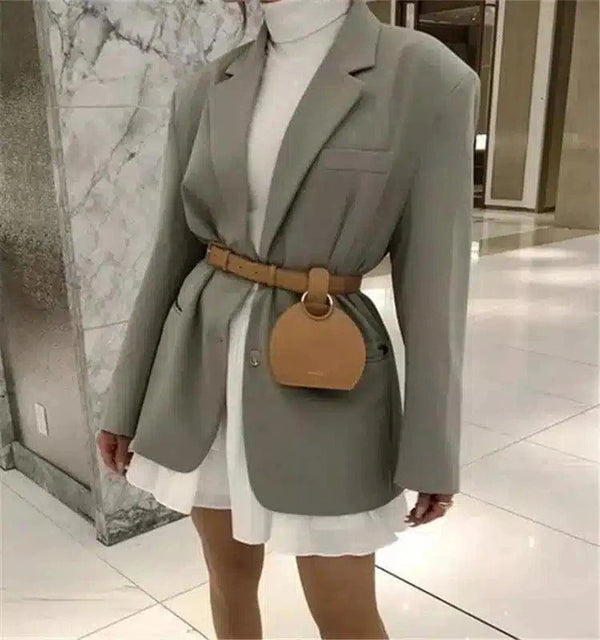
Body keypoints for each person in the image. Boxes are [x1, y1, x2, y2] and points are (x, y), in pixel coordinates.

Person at [97, 0, 481, 637]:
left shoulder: (426, 78)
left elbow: (435, 283)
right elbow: (171, 250)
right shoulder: (206, 87)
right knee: (227, 579)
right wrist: (126, 400)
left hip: (325, 370)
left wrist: (432, 449)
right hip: (203, 361)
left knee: (344, 609)